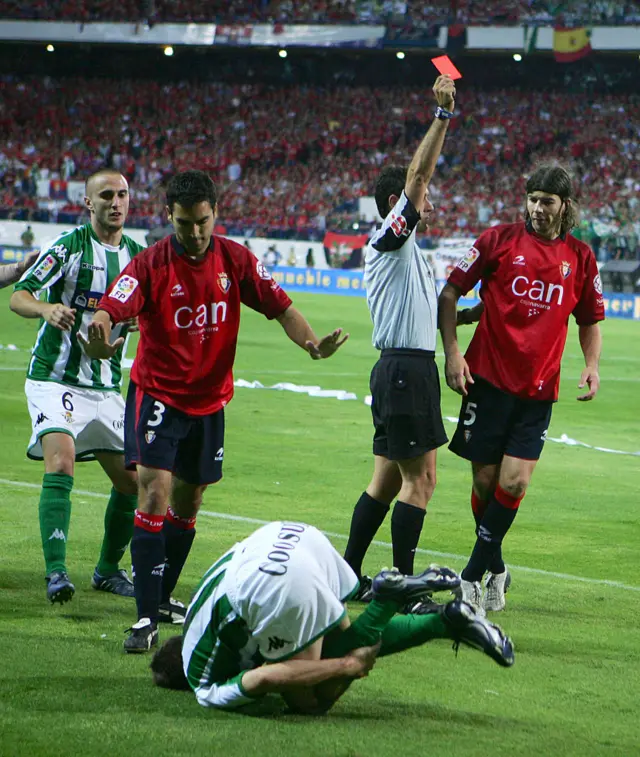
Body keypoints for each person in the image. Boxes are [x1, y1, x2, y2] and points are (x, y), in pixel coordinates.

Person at [80, 170, 350, 653]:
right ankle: (144, 620)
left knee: (190, 502)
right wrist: (100, 332)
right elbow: (110, 308)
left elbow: (281, 307)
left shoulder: (235, 259)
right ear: (170, 217)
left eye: (202, 222)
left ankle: (161, 597)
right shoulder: (149, 265)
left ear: (215, 213)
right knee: (154, 493)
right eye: (185, 223)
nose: (195, 233)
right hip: (159, 396)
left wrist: (311, 343)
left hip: (209, 402)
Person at [438, 165, 604, 614]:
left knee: (513, 482)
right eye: (532, 198)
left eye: (547, 201)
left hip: (537, 391)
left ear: (564, 206)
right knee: (485, 481)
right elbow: (450, 293)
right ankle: (496, 566)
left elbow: (588, 319)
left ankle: (471, 576)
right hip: (487, 382)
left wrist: (591, 365)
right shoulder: (498, 240)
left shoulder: (581, 258)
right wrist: (453, 354)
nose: (537, 208)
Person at [150, 521, 515, 713]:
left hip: (274, 583)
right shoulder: (199, 618)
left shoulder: (204, 684)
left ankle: (388, 601)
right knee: (337, 642)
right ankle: (445, 619)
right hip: (290, 539)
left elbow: (265, 677)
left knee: (308, 700)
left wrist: (345, 668)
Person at [342, 75, 456, 602]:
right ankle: (405, 588)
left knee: (386, 482)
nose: (429, 201)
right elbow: (417, 174)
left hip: (401, 367)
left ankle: (347, 575)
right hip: (408, 371)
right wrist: (442, 116)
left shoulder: (406, 255)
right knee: (422, 481)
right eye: (423, 197)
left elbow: (424, 316)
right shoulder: (389, 238)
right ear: (397, 203)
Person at [9, 169, 144, 605]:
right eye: (106, 195)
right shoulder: (68, 248)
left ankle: (107, 571)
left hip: (105, 387)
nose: (116, 202)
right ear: (89, 203)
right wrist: (46, 308)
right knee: (62, 463)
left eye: (122, 194)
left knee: (133, 483)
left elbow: (152, 313)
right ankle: (56, 573)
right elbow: (19, 295)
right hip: (54, 377)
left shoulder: (139, 259)